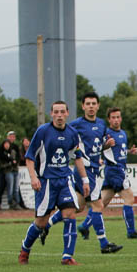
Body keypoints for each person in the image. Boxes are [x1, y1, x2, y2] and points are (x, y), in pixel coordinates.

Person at [46, 92, 123, 254]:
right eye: (87, 104)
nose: (91, 106)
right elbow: (63, 136)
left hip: (95, 170)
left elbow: (100, 146)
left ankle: (46, 225)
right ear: (83, 106)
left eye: (93, 103)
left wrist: (107, 145)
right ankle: (104, 244)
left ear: (98, 106)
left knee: (77, 207)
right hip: (84, 170)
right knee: (98, 205)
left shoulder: (102, 124)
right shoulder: (76, 124)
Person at [18, 101, 89, 265]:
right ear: (51, 114)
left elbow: (76, 157)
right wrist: (33, 177)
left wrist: (84, 180)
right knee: (41, 222)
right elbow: (29, 157)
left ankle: (67, 256)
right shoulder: (43, 131)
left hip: (65, 180)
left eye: (62, 112)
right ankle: (25, 249)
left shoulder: (72, 133)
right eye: (56, 112)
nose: (59, 115)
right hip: (46, 182)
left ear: (67, 113)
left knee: (70, 214)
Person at [101, 107, 137, 239]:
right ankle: (131, 231)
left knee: (101, 203)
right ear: (109, 119)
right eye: (113, 118)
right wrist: (105, 145)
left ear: (121, 118)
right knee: (129, 198)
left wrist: (129, 151)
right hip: (115, 170)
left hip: (116, 170)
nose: (116, 120)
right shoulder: (107, 133)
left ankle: (84, 226)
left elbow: (119, 151)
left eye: (118, 117)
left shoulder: (123, 133)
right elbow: (97, 148)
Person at [0, 136, 20, 210]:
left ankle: (16, 203)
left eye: (8, 144)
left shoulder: (13, 151)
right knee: (2, 188)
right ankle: (0, 204)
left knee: (15, 188)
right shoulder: (1, 152)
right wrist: (10, 163)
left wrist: (13, 163)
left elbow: (17, 159)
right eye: (5, 144)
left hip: (13, 171)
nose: (7, 145)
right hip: (4, 172)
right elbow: (1, 164)